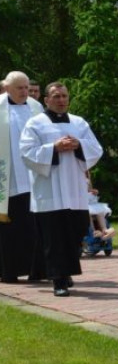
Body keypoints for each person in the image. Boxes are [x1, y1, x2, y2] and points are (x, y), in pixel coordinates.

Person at [20, 82, 103, 296]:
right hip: (49, 190)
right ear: (46, 100)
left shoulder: (79, 123)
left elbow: (95, 148)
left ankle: (65, 272)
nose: (61, 100)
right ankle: (58, 280)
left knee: (76, 231)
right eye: (56, 96)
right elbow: (27, 153)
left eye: (64, 96)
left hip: (75, 189)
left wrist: (79, 146)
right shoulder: (35, 123)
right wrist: (54, 148)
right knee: (54, 237)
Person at [0, 71, 45, 283]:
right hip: (7, 179)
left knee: (34, 226)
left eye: (27, 87)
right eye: (20, 88)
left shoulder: (36, 107)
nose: (25, 92)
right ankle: (8, 271)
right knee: (9, 228)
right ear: (7, 88)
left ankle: (37, 270)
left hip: (33, 177)